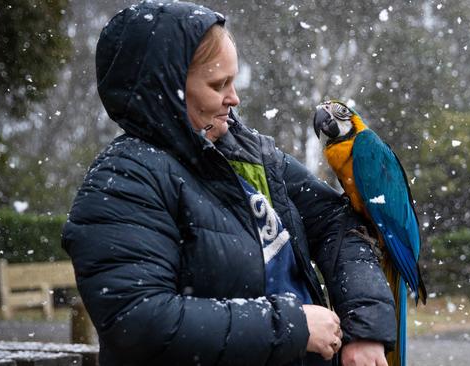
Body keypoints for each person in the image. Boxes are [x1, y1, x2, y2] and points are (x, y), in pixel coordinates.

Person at [62, 2, 396, 365]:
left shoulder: (250, 153)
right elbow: (138, 321)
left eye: (233, 81)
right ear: (167, 90)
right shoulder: (124, 181)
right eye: (218, 84)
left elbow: (338, 223)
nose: (234, 99)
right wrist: (292, 326)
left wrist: (364, 329)